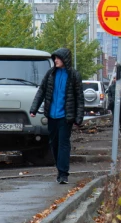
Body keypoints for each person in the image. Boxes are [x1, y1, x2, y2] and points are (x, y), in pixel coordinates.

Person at [30, 48, 84, 185]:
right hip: (51, 116)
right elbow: (41, 91)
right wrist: (34, 109)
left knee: (63, 144)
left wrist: (79, 117)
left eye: (58, 58)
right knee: (53, 144)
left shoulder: (73, 75)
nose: (55, 60)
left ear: (65, 59)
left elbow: (79, 97)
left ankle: (63, 173)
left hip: (66, 117)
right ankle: (60, 169)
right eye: (55, 58)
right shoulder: (50, 74)